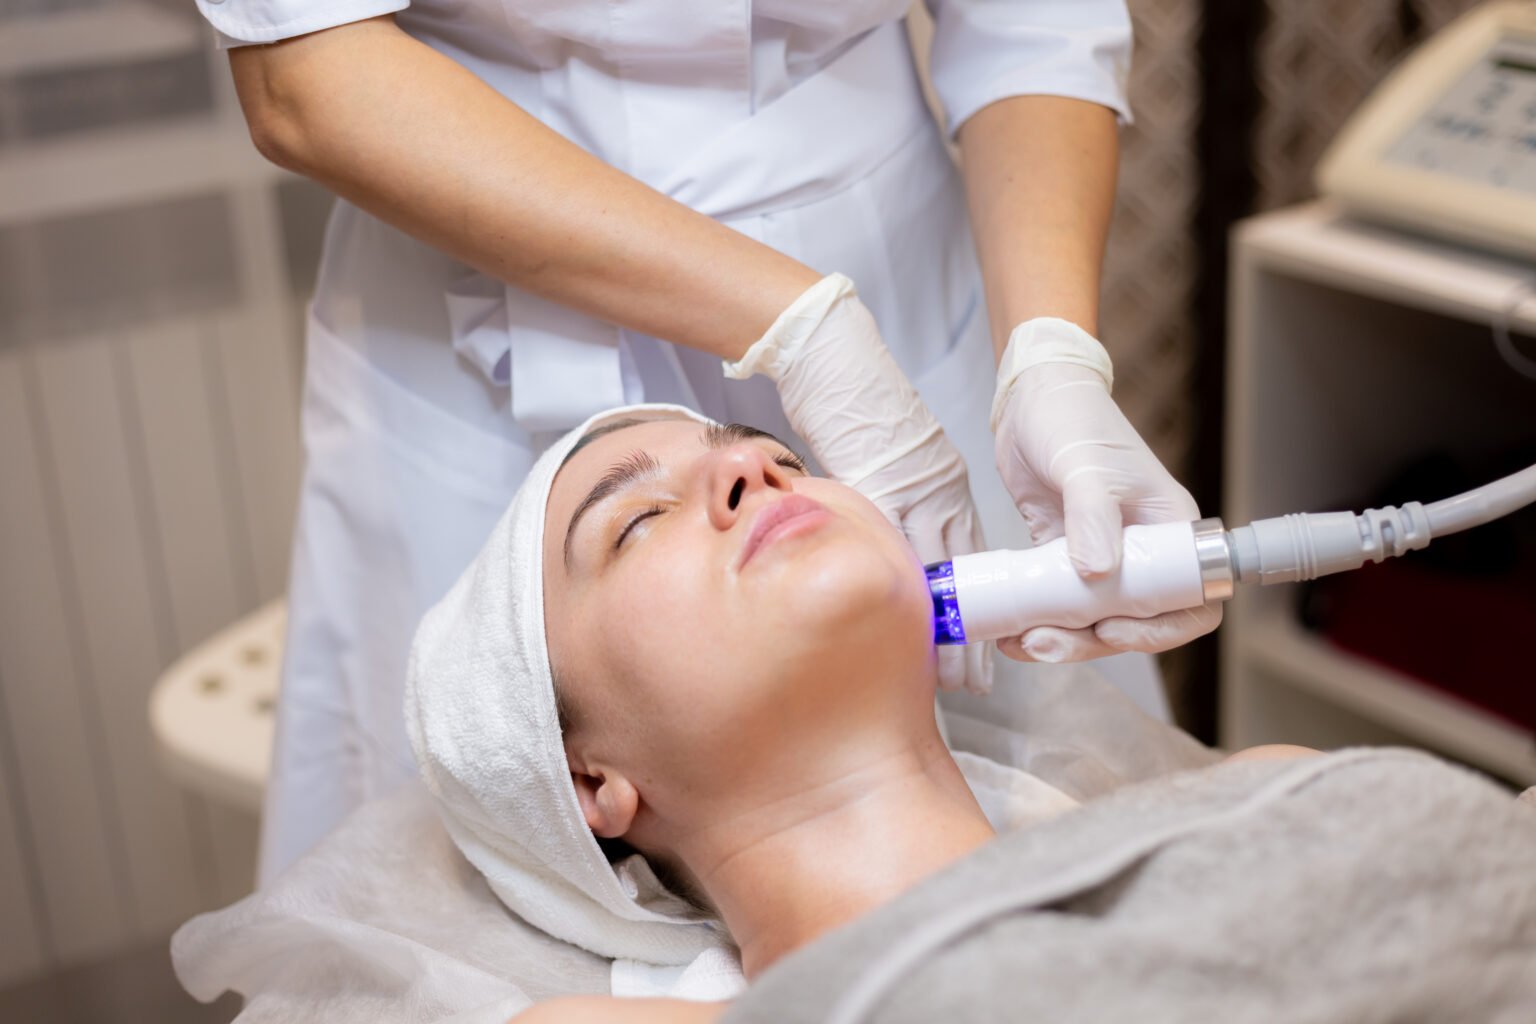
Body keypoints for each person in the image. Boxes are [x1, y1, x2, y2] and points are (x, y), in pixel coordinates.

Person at [196, 0, 1220, 883]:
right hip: (475, 276)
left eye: (764, 456)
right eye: (632, 521)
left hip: (907, 288)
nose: (752, 464)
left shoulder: (1206, 836)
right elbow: (305, 73)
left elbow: (1030, 25)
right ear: (592, 782)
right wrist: (798, 328)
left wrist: (1048, 347)